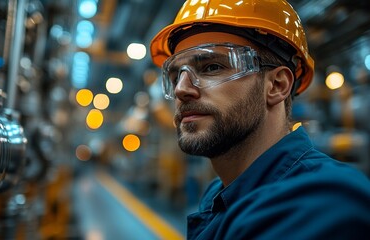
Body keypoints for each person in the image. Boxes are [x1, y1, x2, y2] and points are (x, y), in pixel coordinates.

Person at [150, 0, 370, 239]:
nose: (182, 89)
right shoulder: (219, 195)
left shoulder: (324, 204)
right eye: (175, 77)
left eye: (212, 67)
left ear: (276, 85)